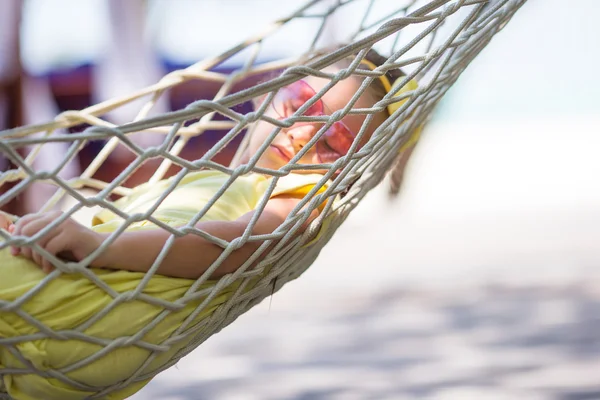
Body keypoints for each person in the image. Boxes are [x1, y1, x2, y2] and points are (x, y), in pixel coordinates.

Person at [0, 50, 420, 400]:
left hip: (71, 313)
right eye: (302, 105)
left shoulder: (300, 195)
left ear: (352, 171)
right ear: (270, 92)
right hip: (58, 307)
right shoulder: (223, 181)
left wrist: (98, 244)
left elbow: (244, 244)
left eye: (333, 141)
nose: (303, 132)